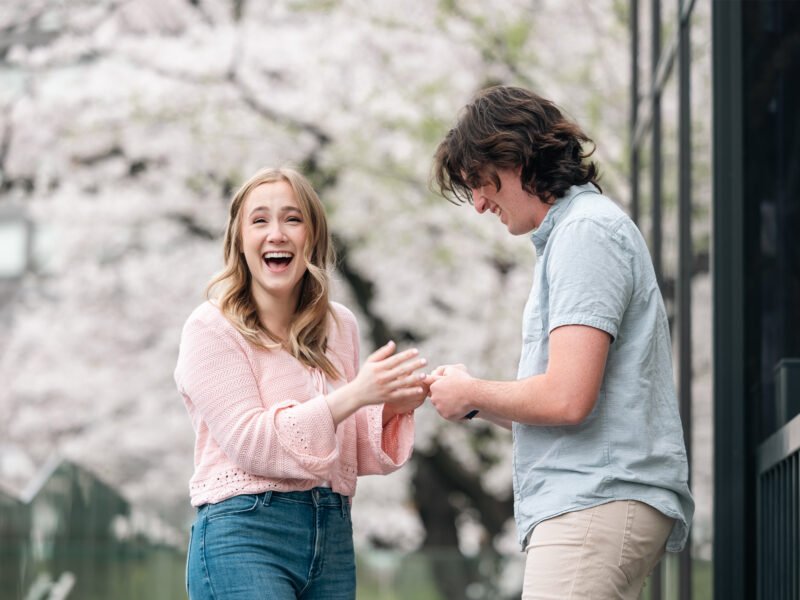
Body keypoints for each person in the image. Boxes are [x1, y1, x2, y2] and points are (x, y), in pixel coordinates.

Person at [428, 85, 694, 599]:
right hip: (595, 501)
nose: (480, 204)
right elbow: (567, 402)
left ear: (515, 158)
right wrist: (471, 401)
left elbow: (568, 399)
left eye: (480, 184)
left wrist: (475, 391)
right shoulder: (576, 235)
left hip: (594, 501)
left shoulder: (585, 233)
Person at [174, 167, 428, 599]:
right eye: (259, 220)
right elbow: (252, 442)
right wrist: (355, 394)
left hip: (331, 531)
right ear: (239, 240)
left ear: (313, 235)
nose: (277, 233)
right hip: (244, 534)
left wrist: (390, 403)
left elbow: (337, 450)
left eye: (292, 219)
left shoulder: (339, 326)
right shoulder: (211, 328)